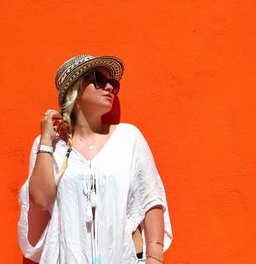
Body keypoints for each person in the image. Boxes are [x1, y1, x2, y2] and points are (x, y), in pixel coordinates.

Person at [17, 55, 173, 263]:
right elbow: (40, 200)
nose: (109, 87)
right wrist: (46, 139)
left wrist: (155, 257)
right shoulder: (50, 146)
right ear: (75, 90)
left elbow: (150, 199)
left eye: (114, 83)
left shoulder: (128, 138)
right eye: (99, 79)